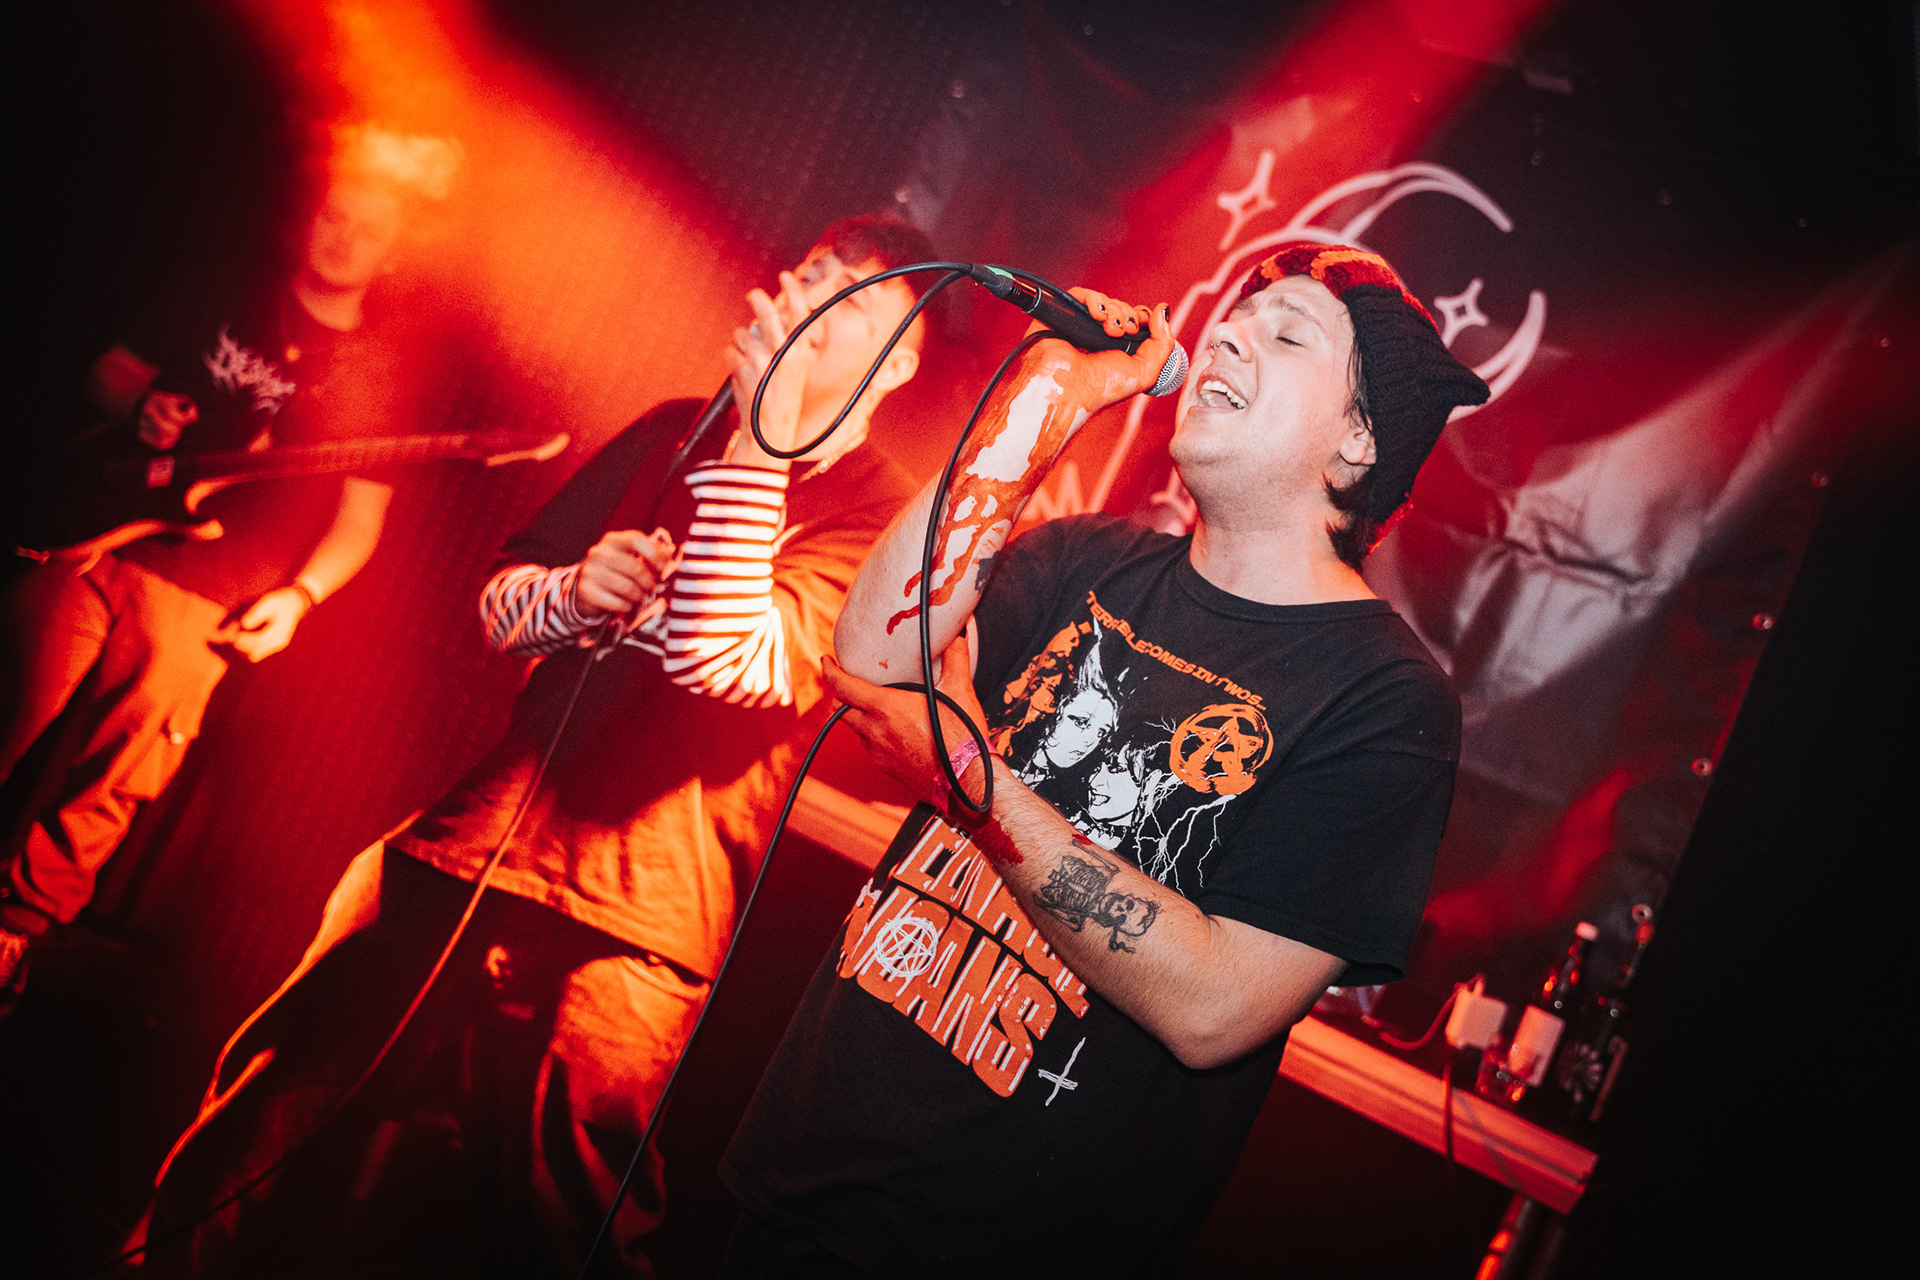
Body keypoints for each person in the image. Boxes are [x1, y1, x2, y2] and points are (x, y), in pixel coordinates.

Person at [131, 214, 933, 1278]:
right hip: (473, 841)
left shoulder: (887, 518)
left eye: (853, 300)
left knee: (564, 1229)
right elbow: (499, 602)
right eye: (813, 274)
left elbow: (728, 662)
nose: (813, 304)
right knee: (258, 1126)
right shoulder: (671, 429)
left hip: (635, 917)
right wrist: (574, 594)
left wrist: (760, 444)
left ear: (899, 363)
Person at [720, 241, 1491, 1273]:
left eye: (1288, 334)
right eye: (1235, 316)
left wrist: (972, 779)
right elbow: (871, 658)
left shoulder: (1383, 698)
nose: (1228, 334)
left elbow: (1216, 1007)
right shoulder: (1087, 557)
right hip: (801, 1177)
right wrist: (1045, 395)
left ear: (1358, 440)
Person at [0, 123, 459, 1014]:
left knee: (114, 778)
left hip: (210, 596)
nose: (345, 237)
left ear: (394, 251)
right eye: (335, 216)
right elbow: (110, 372)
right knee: (9, 701)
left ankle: (12, 932)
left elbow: (361, 518)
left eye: (369, 229)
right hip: (91, 542)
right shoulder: (227, 289)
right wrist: (142, 405)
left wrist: (301, 597)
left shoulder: (378, 376)